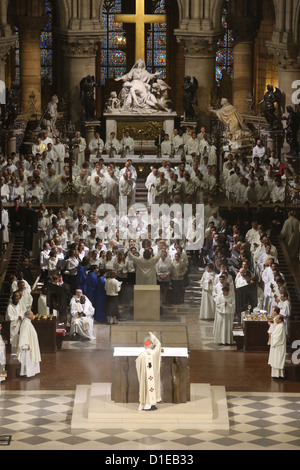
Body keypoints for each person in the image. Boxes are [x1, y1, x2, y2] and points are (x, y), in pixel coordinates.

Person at [136, 331, 162, 411]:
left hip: (145, 377)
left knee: (146, 387)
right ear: (151, 346)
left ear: (145, 346)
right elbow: (159, 344)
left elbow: (137, 362)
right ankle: (151, 404)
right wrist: (152, 335)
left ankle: (146, 405)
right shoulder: (154, 352)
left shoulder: (141, 355)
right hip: (152, 377)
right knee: (152, 387)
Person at [17, 310, 41, 378]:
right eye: (32, 314)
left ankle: (29, 373)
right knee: (27, 360)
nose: (33, 315)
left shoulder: (27, 322)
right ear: (29, 316)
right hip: (27, 346)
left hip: (30, 345)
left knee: (29, 360)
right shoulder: (26, 323)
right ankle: (27, 373)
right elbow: (24, 334)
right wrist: (25, 344)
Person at [268, 314, 286, 380]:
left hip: (278, 346)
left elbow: (278, 337)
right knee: (275, 360)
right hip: (276, 346)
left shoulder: (281, 326)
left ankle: (278, 376)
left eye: (277, 318)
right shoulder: (278, 325)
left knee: (277, 361)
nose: (275, 319)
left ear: (280, 320)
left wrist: (271, 335)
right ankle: (275, 375)